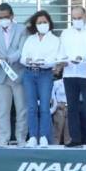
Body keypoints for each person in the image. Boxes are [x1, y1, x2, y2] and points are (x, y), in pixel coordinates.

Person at [58, 7, 86, 148]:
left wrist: (81, 58)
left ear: (85, 16)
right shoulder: (65, 33)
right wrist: (62, 60)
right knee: (72, 107)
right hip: (69, 74)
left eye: (79, 18)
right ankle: (75, 139)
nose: (76, 21)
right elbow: (61, 51)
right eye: (74, 18)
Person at [0, 2, 28, 148]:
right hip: (0, 76)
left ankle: (21, 139)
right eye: (0, 17)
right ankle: (3, 139)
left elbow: (22, 50)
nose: (3, 19)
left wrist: (8, 59)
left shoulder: (22, 29)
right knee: (2, 110)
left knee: (21, 109)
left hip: (18, 74)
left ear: (12, 16)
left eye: (5, 17)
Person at [21, 10, 61, 148]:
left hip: (45, 74)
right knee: (31, 107)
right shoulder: (30, 39)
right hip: (29, 74)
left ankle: (44, 136)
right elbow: (23, 57)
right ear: (35, 25)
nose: (42, 24)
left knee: (44, 106)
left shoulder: (55, 40)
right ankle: (32, 136)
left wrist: (43, 62)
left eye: (44, 22)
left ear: (49, 23)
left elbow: (55, 58)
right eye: (39, 22)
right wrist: (29, 61)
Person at [50, 73, 70, 146]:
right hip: (59, 106)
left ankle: (68, 144)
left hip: (69, 107)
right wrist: (55, 106)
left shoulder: (72, 83)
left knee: (68, 129)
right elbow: (52, 95)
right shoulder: (56, 83)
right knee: (58, 127)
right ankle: (55, 144)